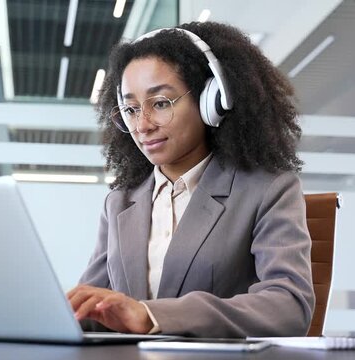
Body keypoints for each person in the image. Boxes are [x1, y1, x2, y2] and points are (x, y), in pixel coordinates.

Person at [67, 21, 315, 338]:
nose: (142, 125)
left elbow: (289, 307)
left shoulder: (267, 189)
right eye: (129, 109)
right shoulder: (120, 202)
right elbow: (92, 305)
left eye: (160, 103)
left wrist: (150, 316)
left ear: (212, 101)